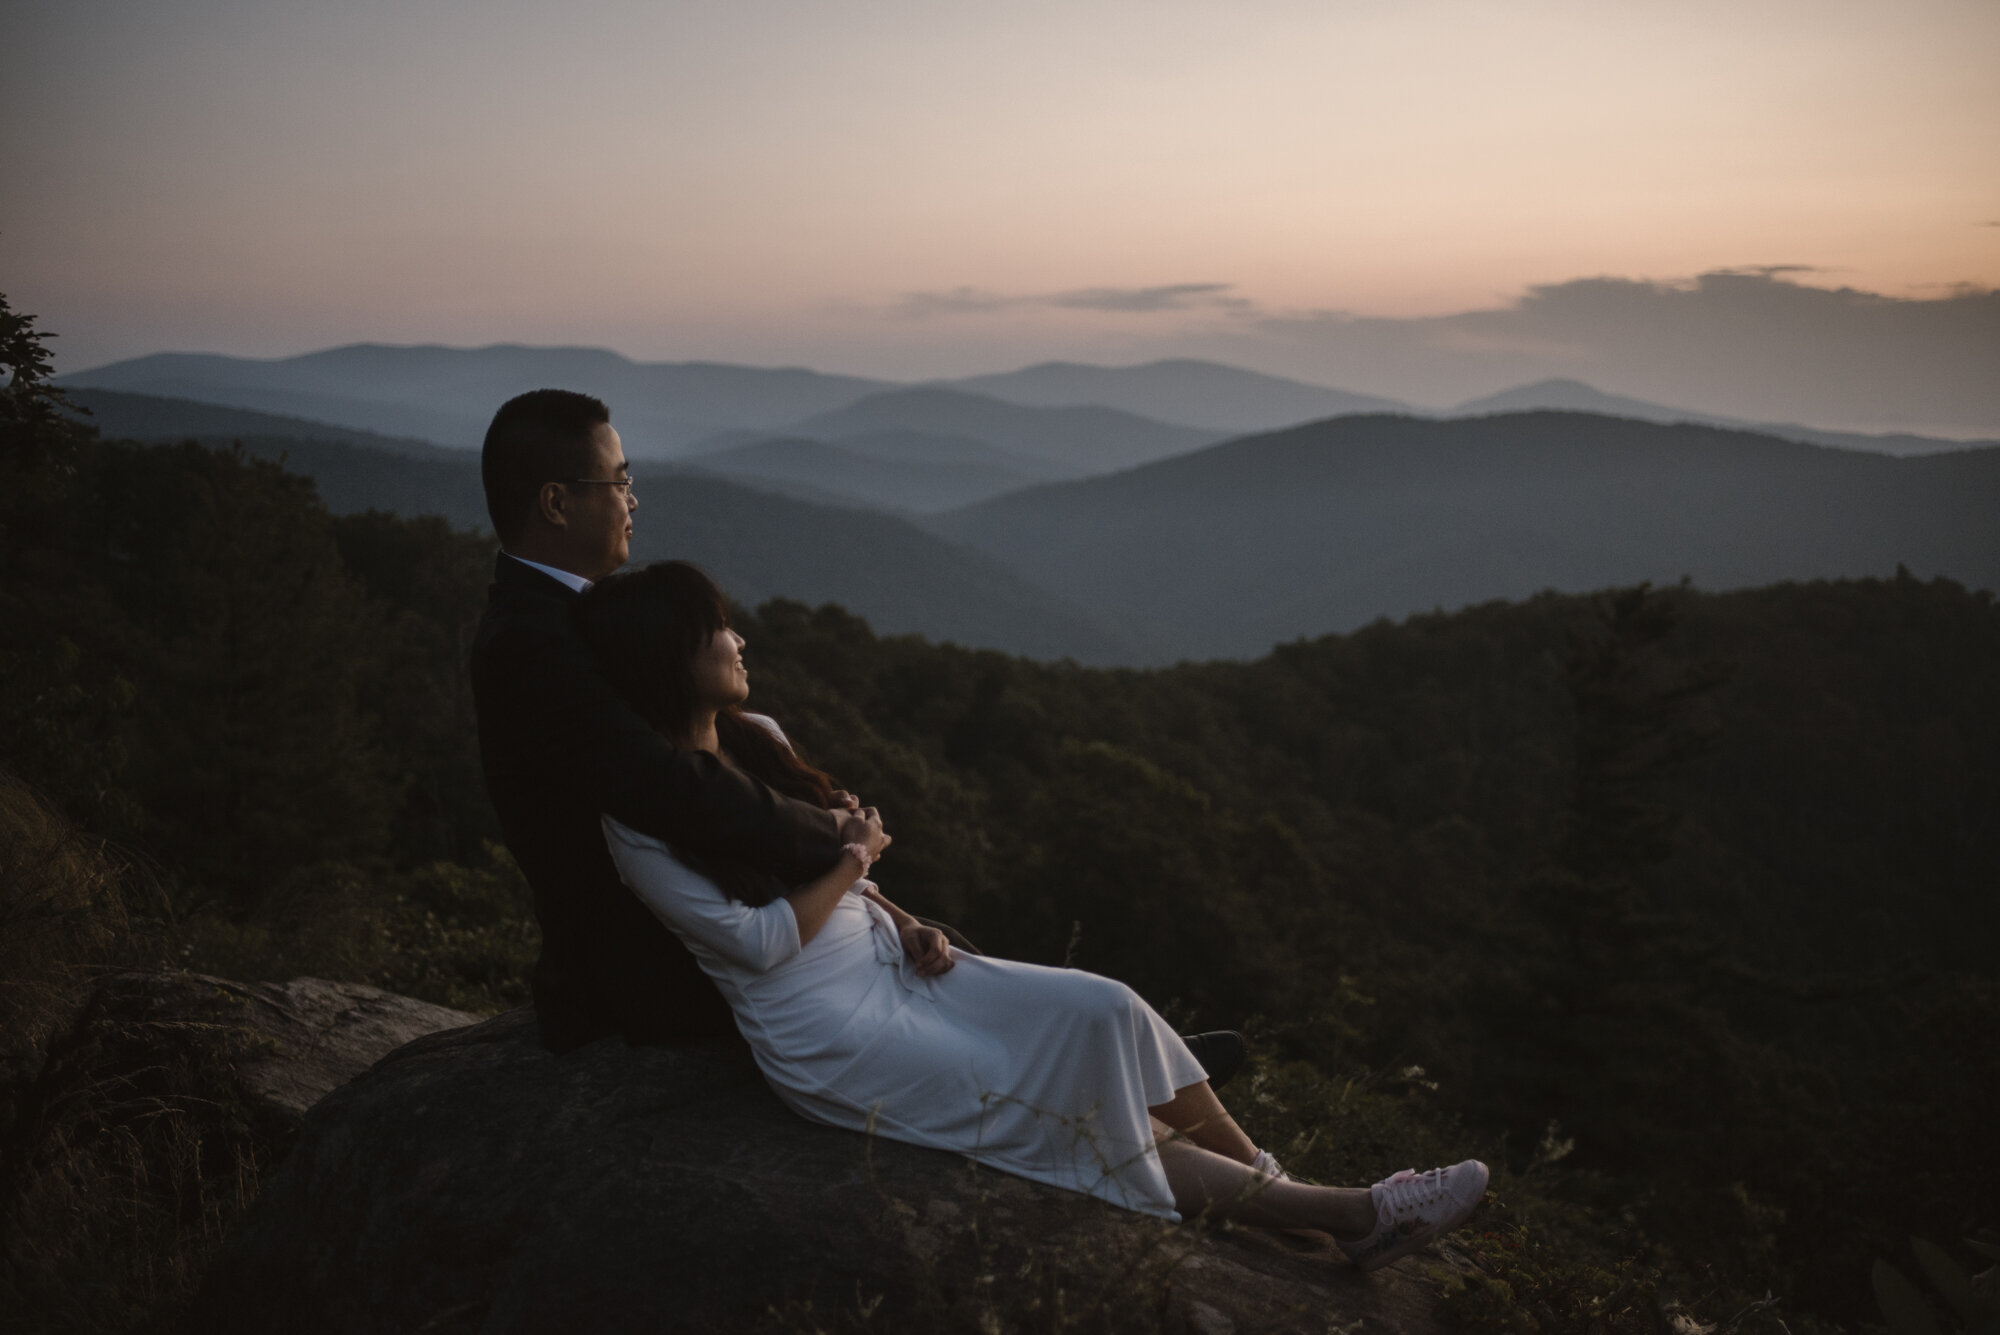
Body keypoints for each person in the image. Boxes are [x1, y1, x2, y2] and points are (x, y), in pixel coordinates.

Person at [574, 560, 1489, 1269]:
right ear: (668, 658)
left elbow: (834, 876)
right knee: (1060, 1113)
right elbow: (758, 943)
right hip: (827, 1029)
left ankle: (1271, 1185)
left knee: (1107, 1007)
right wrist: (856, 856)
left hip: (890, 962)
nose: (737, 639)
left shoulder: (757, 738)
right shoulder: (639, 821)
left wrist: (899, 913)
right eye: (714, 629)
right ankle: (1354, 1213)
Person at [469, 389, 1248, 1085]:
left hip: (699, 900)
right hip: (647, 963)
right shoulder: (532, 645)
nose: (633, 498)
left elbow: (699, 743)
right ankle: (1115, 1071)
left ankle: (1130, 1055)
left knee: (917, 937)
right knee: (886, 950)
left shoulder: (570, 616)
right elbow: (670, 786)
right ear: (557, 502)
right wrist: (832, 835)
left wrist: (815, 808)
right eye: (618, 481)